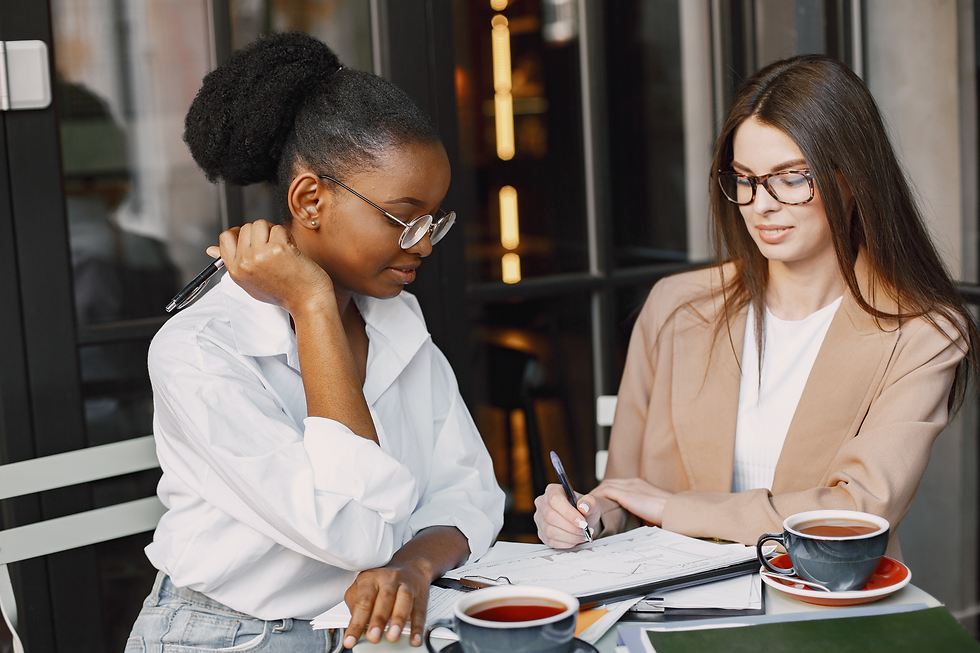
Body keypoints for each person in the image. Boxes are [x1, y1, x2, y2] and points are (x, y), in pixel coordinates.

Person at [126, 32, 504, 653]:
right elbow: (355, 533)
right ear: (309, 199)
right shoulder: (199, 350)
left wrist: (413, 566)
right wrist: (311, 304)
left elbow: (472, 493)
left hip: (373, 623)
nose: (425, 244)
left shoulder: (397, 320)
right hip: (228, 635)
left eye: (433, 219)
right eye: (404, 217)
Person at [533, 54, 979, 559]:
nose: (760, 204)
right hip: (676, 601)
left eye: (790, 177)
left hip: (823, 603)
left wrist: (677, 509)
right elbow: (626, 494)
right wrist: (585, 517)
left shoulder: (924, 332)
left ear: (854, 177)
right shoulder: (677, 306)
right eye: (744, 178)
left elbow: (855, 511)